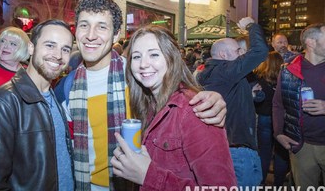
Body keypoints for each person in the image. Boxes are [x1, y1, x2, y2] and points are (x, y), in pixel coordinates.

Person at [54, 0, 227, 190]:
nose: (91, 35)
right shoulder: (66, 87)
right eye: (84, 25)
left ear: (116, 34)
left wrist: (213, 99)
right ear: (76, 31)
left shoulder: (138, 76)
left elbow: (175, 95)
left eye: (102, 26)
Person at [110, 25, 236, 189]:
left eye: (154, 54)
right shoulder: (148, 104)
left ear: (172, 57)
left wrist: (148, 176)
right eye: (136, 56)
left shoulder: (195, 109)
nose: (143, 64)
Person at [0, 20, 75, 190]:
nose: (58, 55)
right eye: (50, 45)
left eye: (65, 49)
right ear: (31, 48)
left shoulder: (52, 96)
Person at [197, 17, 269, 187]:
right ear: (223, 55)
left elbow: (226, 98)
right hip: (237, 151)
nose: (240, 54)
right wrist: (251, 26)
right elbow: (260, 51)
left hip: (229, 147)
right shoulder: (225, 70)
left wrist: (249, 95)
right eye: (237, 51)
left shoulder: (216, 73)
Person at [273, 23, 325, 189]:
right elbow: (278, 104)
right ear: (311, 42)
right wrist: (278, 132)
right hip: (302, 147)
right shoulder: (289, 70)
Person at [253, 51, 289, 186]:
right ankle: (278, 184)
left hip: (264, 118)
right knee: (281, 153)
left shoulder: (259, 79)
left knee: (264, 152)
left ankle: (261, 183)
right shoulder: (285, 79)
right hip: (281, 119)